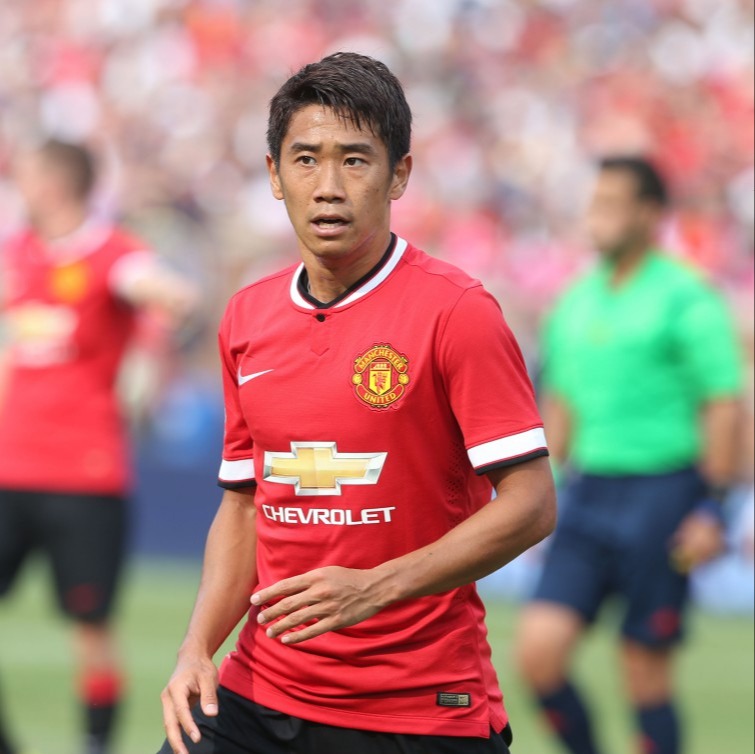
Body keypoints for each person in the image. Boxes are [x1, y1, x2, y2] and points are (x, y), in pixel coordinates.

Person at [158, 51, 557, 754]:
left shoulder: (457, 312)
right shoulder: (247, 317)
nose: (328, 187)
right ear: (274, 176)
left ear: (398, 174)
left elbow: (530, 503)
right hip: (261, 694)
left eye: (355, 160)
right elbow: (246, 504)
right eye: (306, 160)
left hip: (419, 710)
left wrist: (374, 589)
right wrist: (197, 648)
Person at [514, 156, 744, 754]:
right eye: (596, 202)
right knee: (537, 652)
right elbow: (562, 405)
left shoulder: (685, 296)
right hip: (589, 494)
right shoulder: (575, 301)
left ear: (649, 214)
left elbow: (723, 404)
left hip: (664, 493)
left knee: (643, 670)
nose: (598, 216)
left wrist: (715, 508)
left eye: (613, 204)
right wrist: (546, 493)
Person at [0, 138, 198, 754]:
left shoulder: (113, 254)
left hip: (85, 475)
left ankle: (94, 746)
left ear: (56, 184)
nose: (18, 185)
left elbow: (166, 292)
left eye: (26, 174)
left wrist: (159, 324)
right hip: (9, 469)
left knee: (91, 627)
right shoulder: (16, 253)